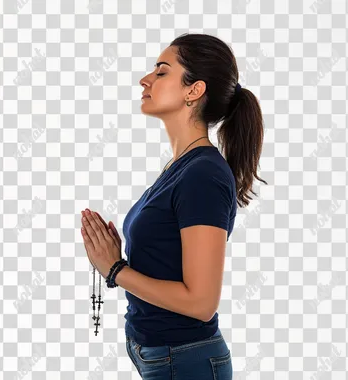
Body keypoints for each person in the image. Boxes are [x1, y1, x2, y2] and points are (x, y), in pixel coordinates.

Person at [81, 32, 267, 379]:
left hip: (183, 361)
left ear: (193, 90)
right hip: (162, 356)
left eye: (162, 71)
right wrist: (120, 258)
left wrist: (116, 269)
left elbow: (200, 303)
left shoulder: (202, 175)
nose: (146, 79)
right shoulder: (180, 166)